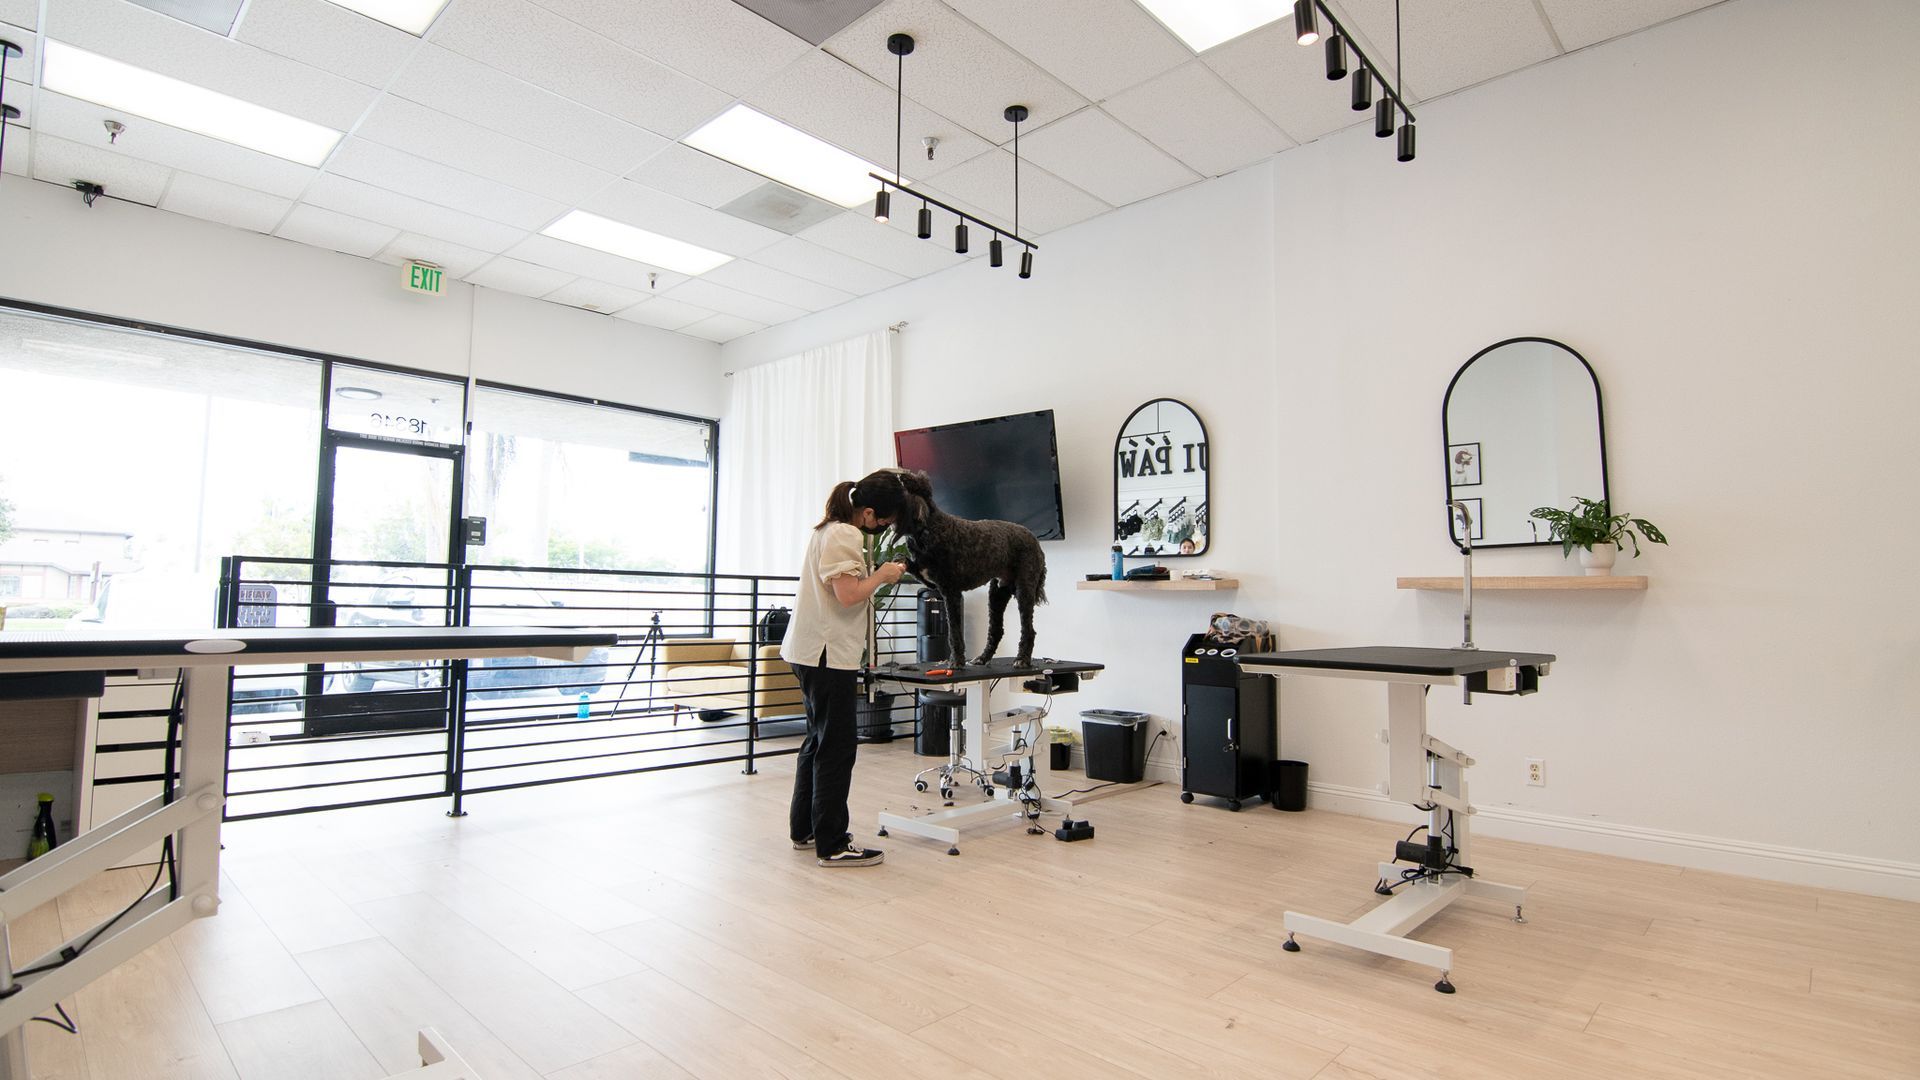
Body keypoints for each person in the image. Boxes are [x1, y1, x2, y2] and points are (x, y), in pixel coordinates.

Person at [781, 476, 909, 867]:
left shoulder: (827, 530)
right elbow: (848, 594)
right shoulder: (844, 535)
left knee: (818, 741)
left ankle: (806, 829)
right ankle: (833, 844)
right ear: (868, 513)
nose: (884, 528)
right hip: (825, 654)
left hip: (811, 652)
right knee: (836, 747)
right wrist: (883, 575)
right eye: (884, 521)